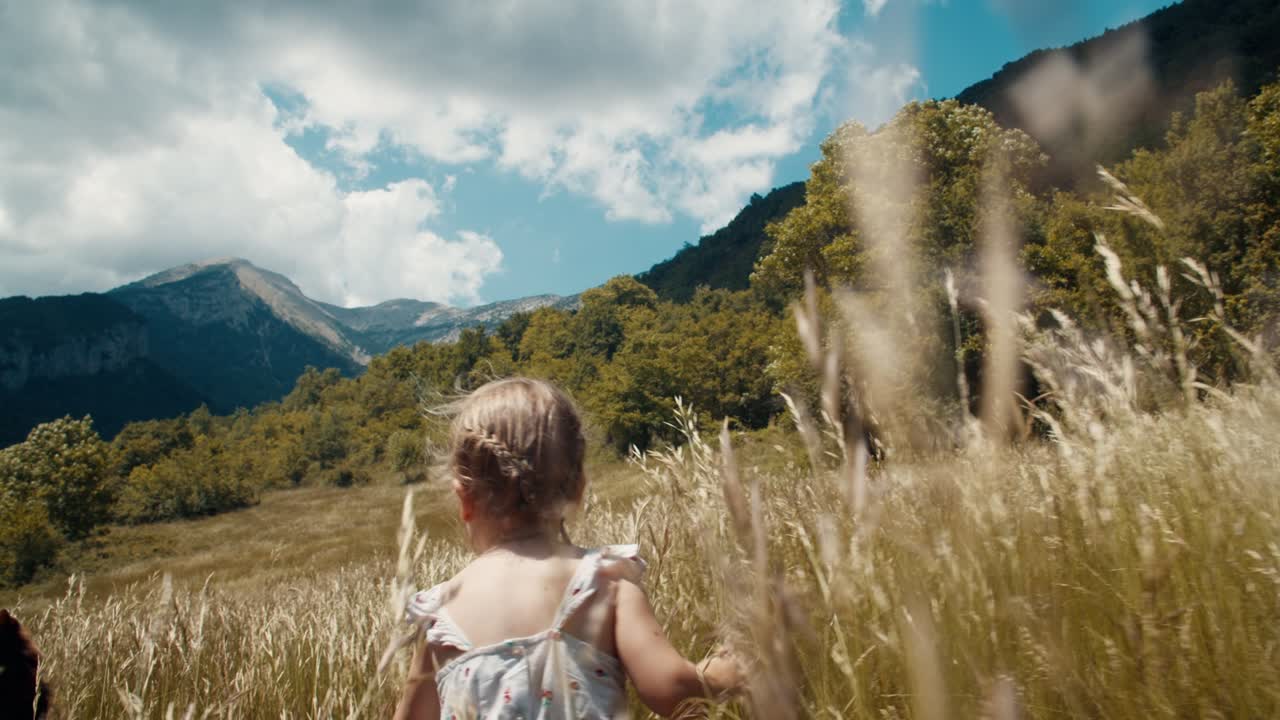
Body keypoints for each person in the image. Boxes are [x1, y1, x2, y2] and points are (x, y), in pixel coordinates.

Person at [393, 377, 742, 720]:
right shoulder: (602, 584)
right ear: (578, 487)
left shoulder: (439, 616)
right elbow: (671, 692)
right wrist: (718, 676)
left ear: (464, 498)